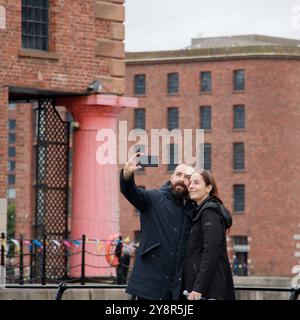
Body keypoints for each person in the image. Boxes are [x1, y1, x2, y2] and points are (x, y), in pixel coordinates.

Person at [120, 151, 195, 300]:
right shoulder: (153, 198)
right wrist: (127, 175)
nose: (181, 179)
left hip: (177, 291)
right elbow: (131, 192)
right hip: (148, 288)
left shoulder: (192, 209)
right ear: (172, 177)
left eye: (187, 178)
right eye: (178, 174)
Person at [183, 169, 236, 300]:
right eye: (190, 183)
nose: (191, 186)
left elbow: (211, 251)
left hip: (211, 290)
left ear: (208, 188)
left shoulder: (210, 213)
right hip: (204, 288)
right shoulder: (200, 212)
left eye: (196, 183)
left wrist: (198, 288)